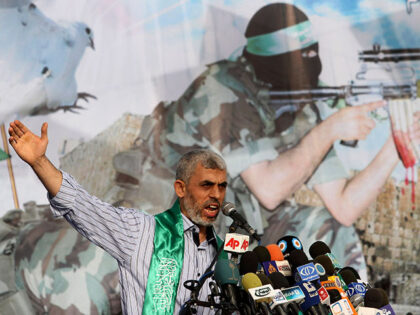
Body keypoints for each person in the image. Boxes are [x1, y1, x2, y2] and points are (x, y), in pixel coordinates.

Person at [109, 2, 420, 277]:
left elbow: (344, 207)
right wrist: (330, 129)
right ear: (272, 58)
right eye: (300, 56)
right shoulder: (221, 89)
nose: (310, 61)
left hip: (238, 224)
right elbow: (269, 190)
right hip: (172, 222)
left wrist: (398, 142)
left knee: (332, 231)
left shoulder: (299, 101)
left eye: (313, 52)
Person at [8, 119, 228, 314]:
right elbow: (82, 206)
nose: (216, 195)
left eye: (222, 187)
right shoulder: (142, 231)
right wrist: (39, 162)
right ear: (180, 189)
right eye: (206, 185)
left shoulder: (223, 253)